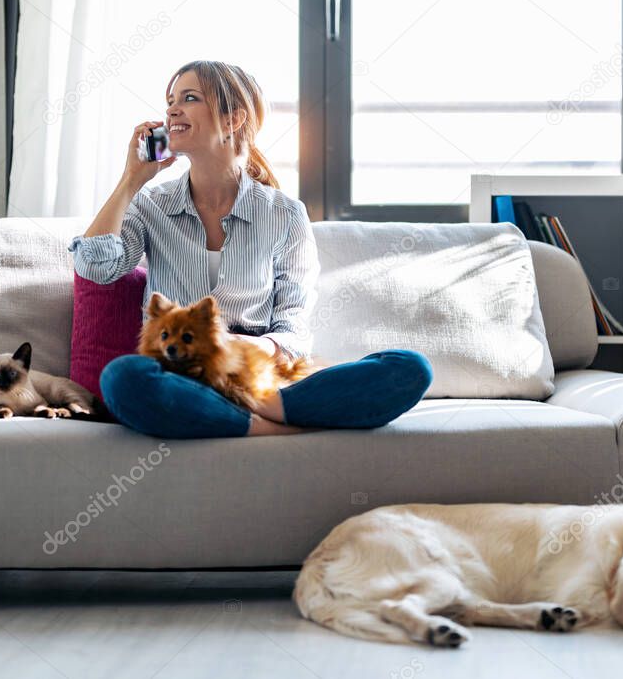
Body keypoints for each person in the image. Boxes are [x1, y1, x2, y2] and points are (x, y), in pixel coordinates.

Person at [69, 60, 432, 438]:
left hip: (256, 372)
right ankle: (266, 423)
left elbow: (293, 325)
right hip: (182, 375)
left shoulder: (285, 214)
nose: (172, 110)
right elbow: (96, 267)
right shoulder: (150, 205)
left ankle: (253, 407)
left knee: (408, 368)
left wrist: (248, 347)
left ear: (232, 120)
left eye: (189, 98)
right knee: (122, 377)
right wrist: (131, 180)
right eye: (170, 101)